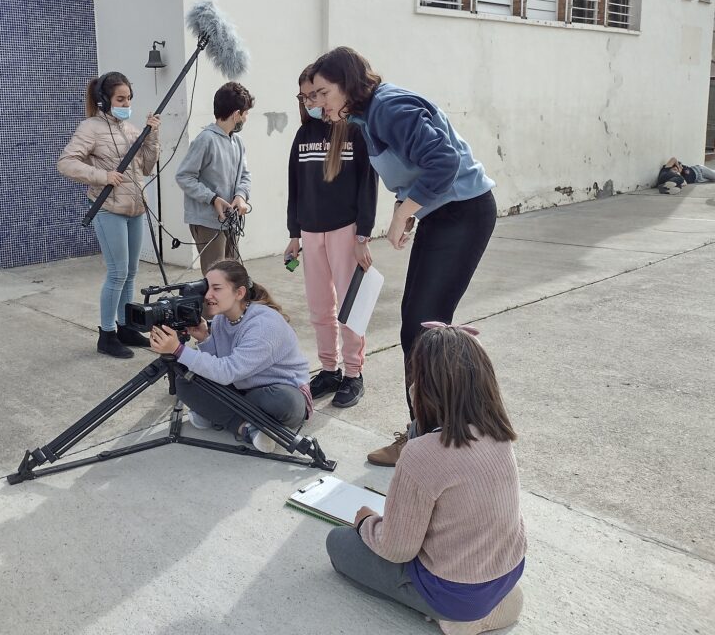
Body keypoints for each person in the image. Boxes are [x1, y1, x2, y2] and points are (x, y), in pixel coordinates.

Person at [308, 47, 497, 466]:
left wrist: (402, 212)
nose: (318, 104)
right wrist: (409, 206)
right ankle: (431, 431)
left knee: (423, 329)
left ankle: (428, 438)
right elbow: (416, 167)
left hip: (463, 214)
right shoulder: (367, 116)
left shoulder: (389, 108)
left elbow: (444, 161)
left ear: (347, 84)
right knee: (419, 328)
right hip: (445, 216)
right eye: (313, 96)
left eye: (323, 93)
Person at [325, 324, 525, 635]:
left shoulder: (422, 454)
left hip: (454, 591)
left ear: (422, 388)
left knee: (338, 543)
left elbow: (398, 549)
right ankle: (489, 603)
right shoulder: (499, 432)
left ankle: (459, 617)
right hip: (506, 571)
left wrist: (366, 523)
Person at [286, 65, 379, 409]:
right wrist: (294, 235)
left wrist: (363, 236)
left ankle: (354, 373)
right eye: (304, 96)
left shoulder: (354, 132)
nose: (311, 102)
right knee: (319, 307)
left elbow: (368, 185)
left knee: (349, 307)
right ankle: (329, 369)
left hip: (345, 230)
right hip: (310, 233)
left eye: (315, 94)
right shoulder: (303, 135)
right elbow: (294, 187)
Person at [148, 259, 312, 453]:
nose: (207, 295)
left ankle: (218, 415)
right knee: (184, 380)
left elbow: (227, 372)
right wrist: (205, 339)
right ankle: (247, 428)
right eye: (207, 288)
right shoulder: (221, 319)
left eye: (217, 288)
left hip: (280, 393)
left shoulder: (264, 325)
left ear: (239, 293)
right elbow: (219, 365)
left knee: (282, 401)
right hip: (240, 387)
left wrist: (178, 350)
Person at [58, 71, 161, 359]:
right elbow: (66, 162)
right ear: (104, 100)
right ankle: (107, 334)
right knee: (117, 273)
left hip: (135, 209)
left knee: (131, 273)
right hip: (109, 210)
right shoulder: (90, 128)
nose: (126, 104)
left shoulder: (130, 129)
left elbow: (147, 167)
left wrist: (152, 135)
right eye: (120, 99)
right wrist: (102, 176)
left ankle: (126, 326)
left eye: (129, 98)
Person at [175, 82, 254, 273]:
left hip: (230, 221)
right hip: (207, 223)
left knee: (232, 277)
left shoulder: (237, 141)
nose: (246, 118)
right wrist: (212, 199)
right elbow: (184, 176)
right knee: (216, 277)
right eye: (246, 113)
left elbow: (245, 175)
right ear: (236, 114)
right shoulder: (206, 139)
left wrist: (241, 196)